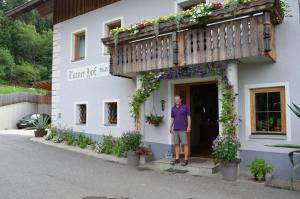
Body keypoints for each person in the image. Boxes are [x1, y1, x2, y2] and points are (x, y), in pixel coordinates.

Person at [170, 95, 191, 166]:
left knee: (185, 144)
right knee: (176, 144)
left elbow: (188, 117)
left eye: (178, 99)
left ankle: (186, 159)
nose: (176, 101)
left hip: (183, 129)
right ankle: (177, 158)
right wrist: (170, 127)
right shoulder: (173, 108)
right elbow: (172, 118)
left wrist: (189, 127)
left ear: (180, 100)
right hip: (175, 129)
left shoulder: (185, 107)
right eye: (175, 100)